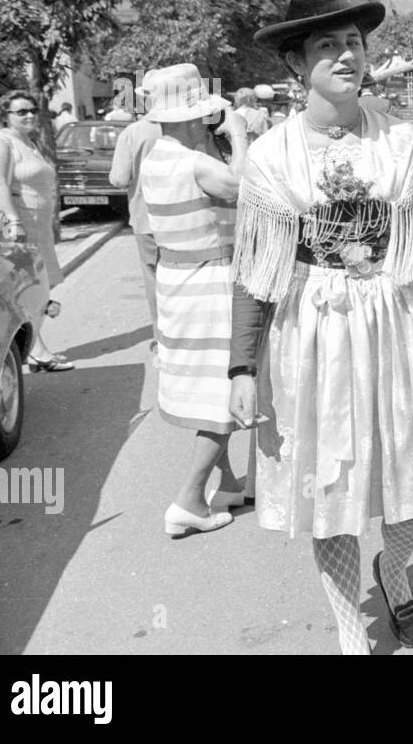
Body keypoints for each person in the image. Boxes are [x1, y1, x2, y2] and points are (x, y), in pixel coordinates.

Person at [229, 0, 413, 653]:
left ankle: (393, 567)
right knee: (328, 485)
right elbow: (255, 271)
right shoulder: (273, 157)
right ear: (295, 63)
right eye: (326, 46)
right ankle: (349, 633)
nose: (346, 55)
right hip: (313, 329)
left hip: (395, 322)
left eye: (354, 42)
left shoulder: (399, 142)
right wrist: (240, 367)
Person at [138, 64, 250, 540]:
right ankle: (189, 498)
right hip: (211, 280)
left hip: (177, 279)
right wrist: (240, 136)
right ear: (192, 118)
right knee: (222, 392)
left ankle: (226, 484)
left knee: (203, 384)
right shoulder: (195, 162)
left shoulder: (158, 156)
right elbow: (248, 191)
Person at [0, 90, 74, 371]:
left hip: (38, 225)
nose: (30, 115)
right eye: (21, 112)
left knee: (42, 284)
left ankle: (35, 348)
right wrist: (13, 220)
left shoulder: (27, 141)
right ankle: (37, 350)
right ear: (5, 116)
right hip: (19, 225)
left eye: (32, 110)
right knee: (35, 286)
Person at [108, 114, 164, 348]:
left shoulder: (132, 133)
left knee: (154, 276)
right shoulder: (192, 124)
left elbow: (119, 178)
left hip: (147, 216)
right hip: (189, 213)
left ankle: (162, 336)